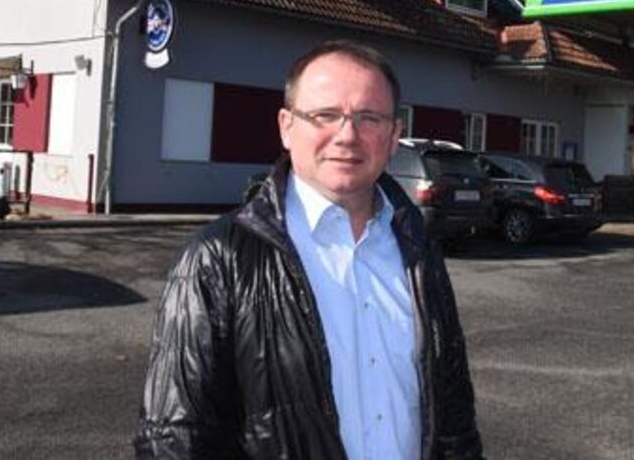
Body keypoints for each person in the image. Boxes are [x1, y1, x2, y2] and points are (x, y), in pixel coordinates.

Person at [134, 40, 484, 460]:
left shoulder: (418, 249)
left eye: (369, 117)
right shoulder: (217, 257)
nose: (347, 135)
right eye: (325, 115)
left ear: (394, 136)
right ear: (286, 126)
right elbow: (174, 438)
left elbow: (453, 411)